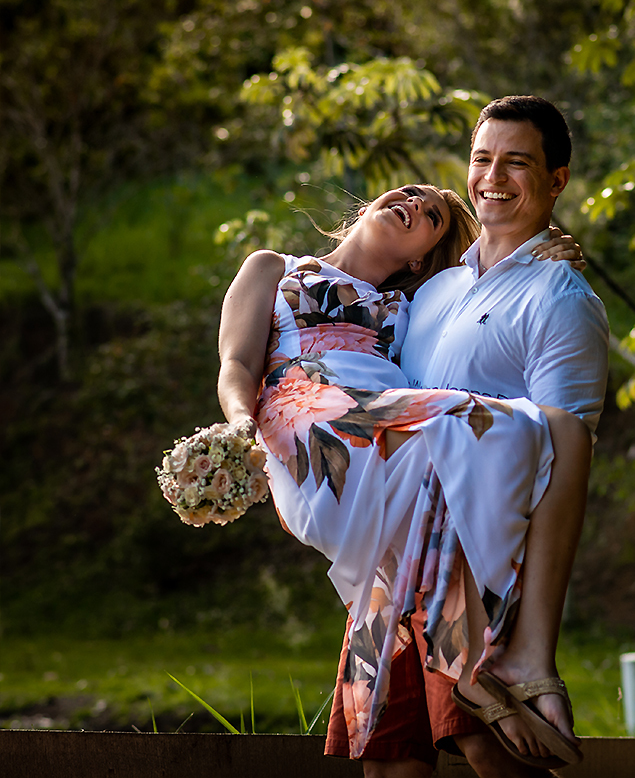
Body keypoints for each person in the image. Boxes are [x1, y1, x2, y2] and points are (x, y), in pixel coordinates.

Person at [216, 180, 595, 776]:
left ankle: (471, 665)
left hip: (393, 444)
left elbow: (477, 285)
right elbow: (237, 362)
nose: (415, 204)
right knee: (466, 418)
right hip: (313, 421)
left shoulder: (418, 305)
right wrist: (240, 428)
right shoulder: (273, 267)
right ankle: (479, 663)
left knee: (531, 440)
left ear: (421, 256)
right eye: (413, 193)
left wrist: (544, 251)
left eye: (433, 216)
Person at [397, 96, 608, 778]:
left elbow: (561, 454)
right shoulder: (429, 289)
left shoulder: (561, 297)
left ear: (557, 180)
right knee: (390, 756)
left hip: (482, 578)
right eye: (483, 159)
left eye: (517, 163)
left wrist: (524, 628)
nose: (493, 176)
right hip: (391, 570)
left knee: (494, 752)